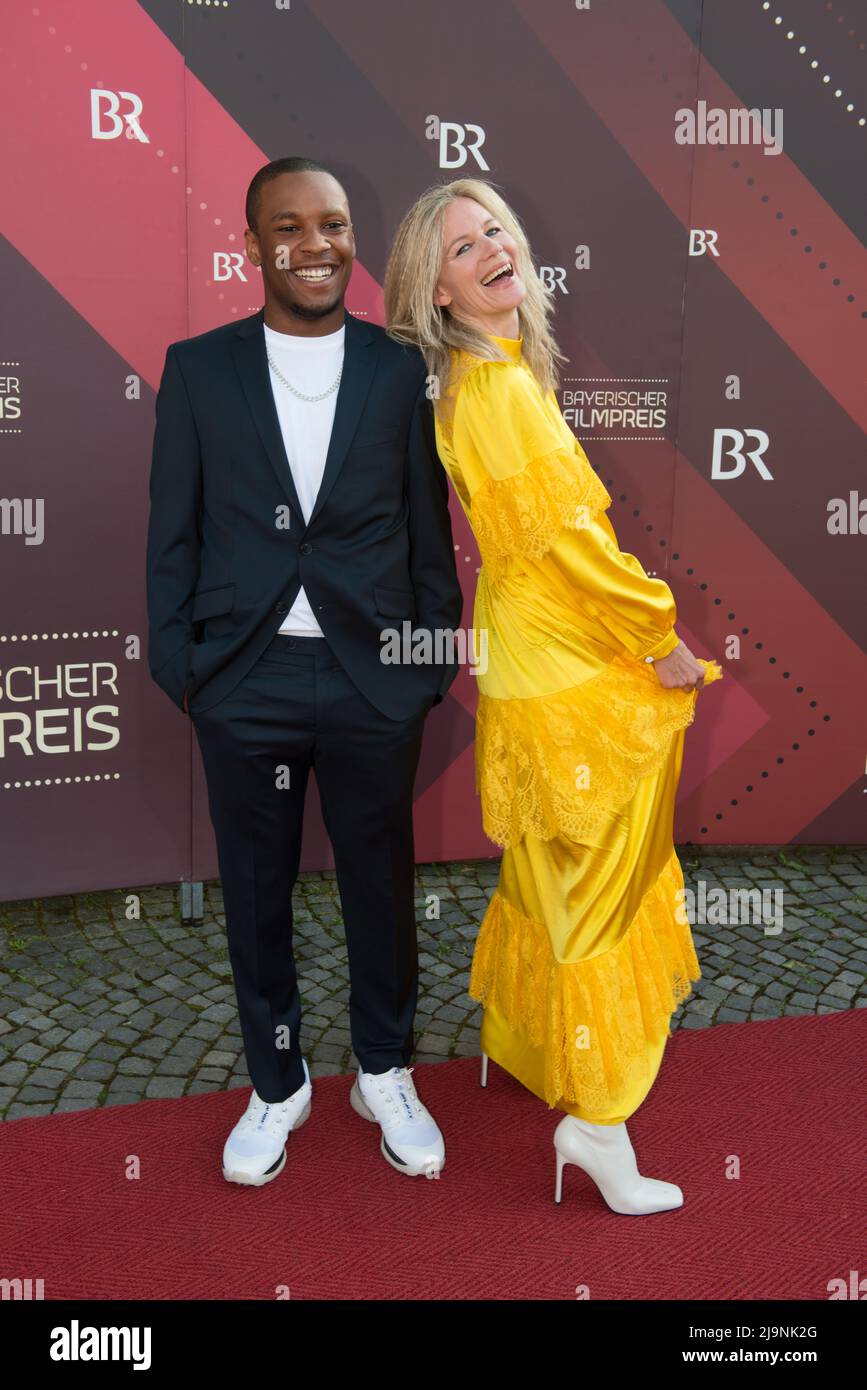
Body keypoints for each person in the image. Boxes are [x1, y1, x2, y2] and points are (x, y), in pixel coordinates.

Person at [384, 177, 723, 1215]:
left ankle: (530, 1051)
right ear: (436, 292)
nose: (491, 250)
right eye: (461, 247)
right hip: (572, 666)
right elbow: (578, 549)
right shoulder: (496, 395)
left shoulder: (486, 383)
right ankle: (598, 1121)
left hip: (537, 663)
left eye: (495, 231)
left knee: (553, 873)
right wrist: (659, 635)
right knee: (600, 891)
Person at [146, 157, 463, 1187]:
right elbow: (173, 536)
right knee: (256, 891)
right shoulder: (200, 369)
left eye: (332, 223)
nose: (317, 243)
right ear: (253, 244)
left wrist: (426, 667)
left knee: (380, 883)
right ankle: (276, 1085)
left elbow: (429, 533)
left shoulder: (398, 365)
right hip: (245, 681)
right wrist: (186, 669)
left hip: (375, 679)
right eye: (291, 226)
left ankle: (385, 1070)